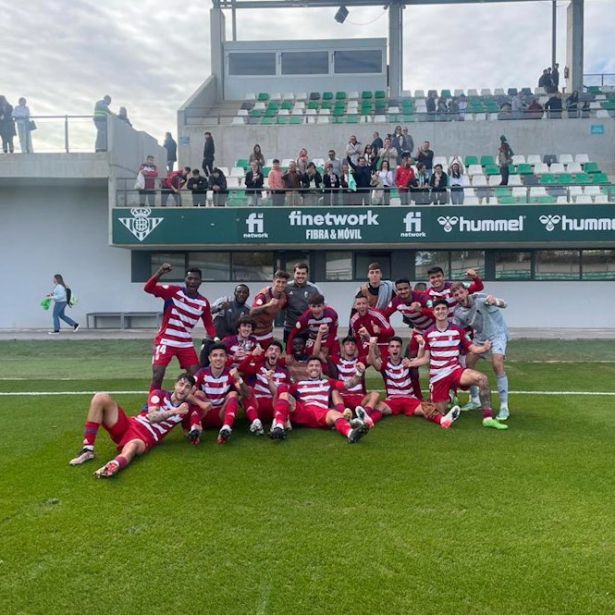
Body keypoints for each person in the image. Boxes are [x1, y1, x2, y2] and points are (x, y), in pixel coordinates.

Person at [69, 373, 194, 477]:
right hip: (131, 424)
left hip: (146, 437)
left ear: (190, 390)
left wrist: (194, 433)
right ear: (175, 384)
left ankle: (113, 465)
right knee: (101, 397)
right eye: (181, 384)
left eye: (187, 387)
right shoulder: (159, 394)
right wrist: (175, 411)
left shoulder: (186, 410)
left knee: (132, 447)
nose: (182, 389)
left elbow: (188, 430)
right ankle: (87, 450)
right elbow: (152, 417)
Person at [408, 299, 507, 430]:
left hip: (455, 370)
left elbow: (472, 348)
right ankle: (449, 398)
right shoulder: (428, 334)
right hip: (437, 377)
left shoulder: (458, 331)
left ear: (447, 311)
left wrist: (483, 348)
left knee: (482, 379)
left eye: (443, 309)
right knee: (439, 412)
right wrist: (412, 363)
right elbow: (425, 359)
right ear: (433, 312)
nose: (441, 311)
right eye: (438, 309)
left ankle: (487, 418)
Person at [144, 262, 215, 391]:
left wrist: (216, 340)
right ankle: (150, 405)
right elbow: (148, 288)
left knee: (196, 377)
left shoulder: (203, 302)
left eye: (196, 279)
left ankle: (192, 405)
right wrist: (160, 272)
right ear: (185, 280)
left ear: (201, 282)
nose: (192, 281)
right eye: (190, 278)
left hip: (185, 343)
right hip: (166, 341)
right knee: (157, 374)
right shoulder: (172, 291)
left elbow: (209, 324)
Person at [268, 356, 371, 443]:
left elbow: (348, 384)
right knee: (284, 394)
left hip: (322, 412)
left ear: (321, 369)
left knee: (335, 414)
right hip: (304, 411)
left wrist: (359, 373)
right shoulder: (298, 384)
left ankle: (351, 434)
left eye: (317, 366)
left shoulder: (328, 382)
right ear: (307, 369)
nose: (314, 368)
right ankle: (279, 427)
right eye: (311, 366)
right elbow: (280, 396)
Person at [368, 336, 460, 428]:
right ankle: (368, 421)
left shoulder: (407, 362)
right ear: (388, 349)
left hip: (410, 398)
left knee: (427, 408)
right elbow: (373, 361)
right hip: (393, 399)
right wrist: (371, 346)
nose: (395, 349)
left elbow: (419, 358)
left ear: (401, 349)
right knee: (379, 407)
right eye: (392, 346)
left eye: (397, 346)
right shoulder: (384, 363)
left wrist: (421, 345)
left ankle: (443, 420)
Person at [451, 282, 511, 420]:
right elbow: (457, 331)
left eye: (461, 292)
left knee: (497, 364)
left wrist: (495, 301)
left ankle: (504, 406)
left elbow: (504, 304)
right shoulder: (458, 312)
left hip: (497, 334)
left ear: (466, 291)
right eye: (456, 295)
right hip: (481, 337)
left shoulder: (480, 298)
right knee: (467, 364)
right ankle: (475, 400)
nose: (459, 296)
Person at [186, 344, 244, 444]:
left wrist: (239, 379)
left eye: (221, 355)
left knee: (233, 394)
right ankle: (195, 429)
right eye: (215, 355)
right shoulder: (202, 372)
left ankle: (225, 429)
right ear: (209, 358)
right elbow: (187, 394)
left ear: (226, 358)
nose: (218, 358)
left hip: (222, 415)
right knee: (198, 393)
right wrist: (201, 403)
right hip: (205, 414)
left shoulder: (230, 372)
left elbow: (245, 394)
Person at [239, 341, 291, 435]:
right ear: (266, 354)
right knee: (248, 391)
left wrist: (269, 380)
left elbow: (283, 394)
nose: (273, 352)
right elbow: (241, 368)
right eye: (271, 350)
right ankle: (255, 422)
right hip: (258, 404)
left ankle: (277, 422)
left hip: (274, 405)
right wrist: (252, 355)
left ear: (280, 356)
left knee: (283, 388)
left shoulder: (284, 373)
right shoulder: (258, 367)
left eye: (277, 350)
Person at [286, 294, 339, 359]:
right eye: (313, 306)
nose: (316, 309)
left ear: (323, 306)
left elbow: (333, 332)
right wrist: (288, 353)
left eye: (319, 306)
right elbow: (292, 334)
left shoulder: (332, 314)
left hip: (329, 338)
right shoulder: (305, 318)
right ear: (309, 306)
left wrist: (327, 346)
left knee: (334, 359)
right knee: (311, 359)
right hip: (313, 339)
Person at [250, 270, 290, 347]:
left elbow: (286, 307)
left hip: (267, 332)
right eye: (278, 281)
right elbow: (252, 311)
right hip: (254, 333)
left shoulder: (284, 297)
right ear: (273, 281)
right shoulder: (263, 295)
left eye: (283, 282)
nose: (280, 285)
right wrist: (268, 305)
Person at [283, 262, 321, 343]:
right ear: (294, 273)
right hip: (290, 328)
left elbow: (323, 307)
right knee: (289, 354)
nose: (300, 276)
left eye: (303, 273)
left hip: (308, 329)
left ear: (307, 274)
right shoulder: (286, 287)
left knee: (308, 354)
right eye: (298, 273)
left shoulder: (314, 289)